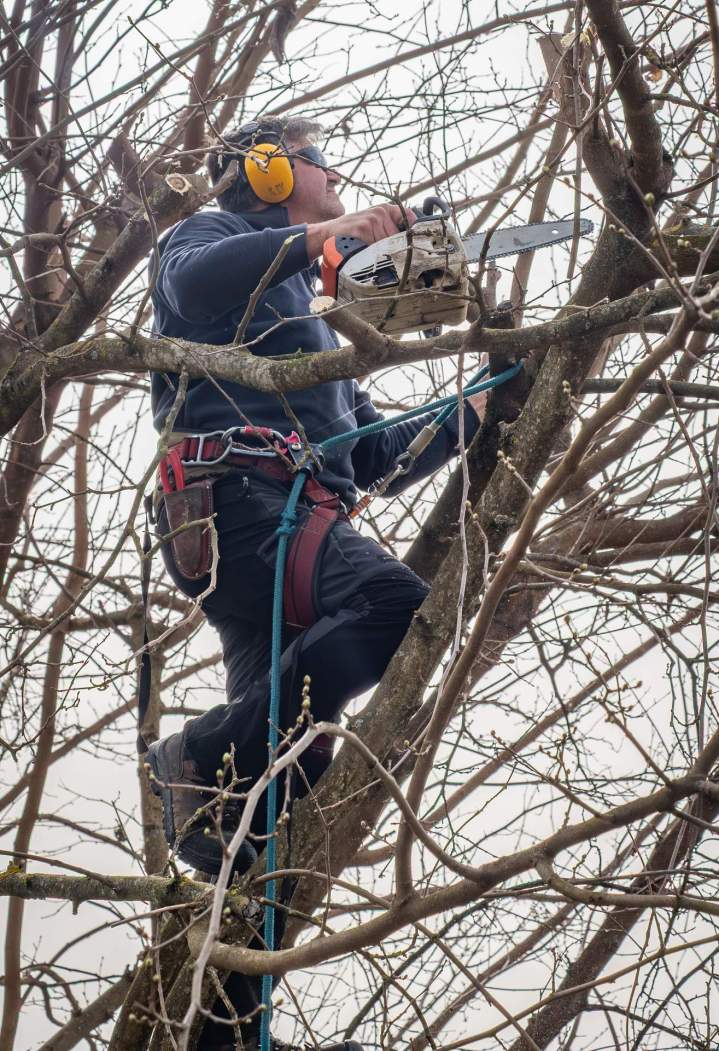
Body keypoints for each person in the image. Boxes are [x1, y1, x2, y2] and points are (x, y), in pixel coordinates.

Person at [146, 116, 485, 1051]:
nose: (338, 176)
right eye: (321, 160)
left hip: (300, 507)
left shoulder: (308, 309)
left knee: (270, 797)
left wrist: (482, 403)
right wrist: (326, 236)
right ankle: (196, 751)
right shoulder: (209, 241)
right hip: (243, 502)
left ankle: (223, 1029)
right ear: (266, 169)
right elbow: (193, 283)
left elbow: (369, 450)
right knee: (392, 607)